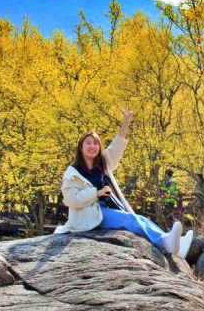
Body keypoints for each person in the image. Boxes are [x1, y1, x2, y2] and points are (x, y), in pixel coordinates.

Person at [58, 107, 193, 257]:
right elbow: (71, 200)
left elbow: (116, 146)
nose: (92, 147)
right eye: (88, 143)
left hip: (104, 210)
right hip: (88, 215)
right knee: (129, 220)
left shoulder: (103, 164)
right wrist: (96, 193)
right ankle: (165, 243)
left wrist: (126, 121)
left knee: (139, 219)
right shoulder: (72, 173)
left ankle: (174, 245)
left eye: (95, 143)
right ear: (80, 147)